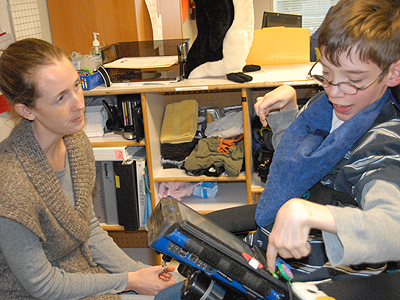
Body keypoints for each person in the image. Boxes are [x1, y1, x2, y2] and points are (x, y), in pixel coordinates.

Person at [0, 38, 183, 300]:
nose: (79, 104)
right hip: (32, 294)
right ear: (26, 110)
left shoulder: (75, 144)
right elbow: (42, 285)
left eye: (76, 85)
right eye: (61, 98)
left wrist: (139, 273)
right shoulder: (9, 183)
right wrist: (129, 281)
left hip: (80, 274)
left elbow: (88, 229)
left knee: (176, 288)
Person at [251, 0, 400, 280]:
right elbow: (298, 169)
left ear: (392, 73)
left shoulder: (383, 142)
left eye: (354, 80)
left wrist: (312, 213)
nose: (335, 92)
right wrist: (289, 113)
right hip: (273, 251)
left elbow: (393, 229)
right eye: (326, 75)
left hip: (318, 277)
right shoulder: (324, 108)